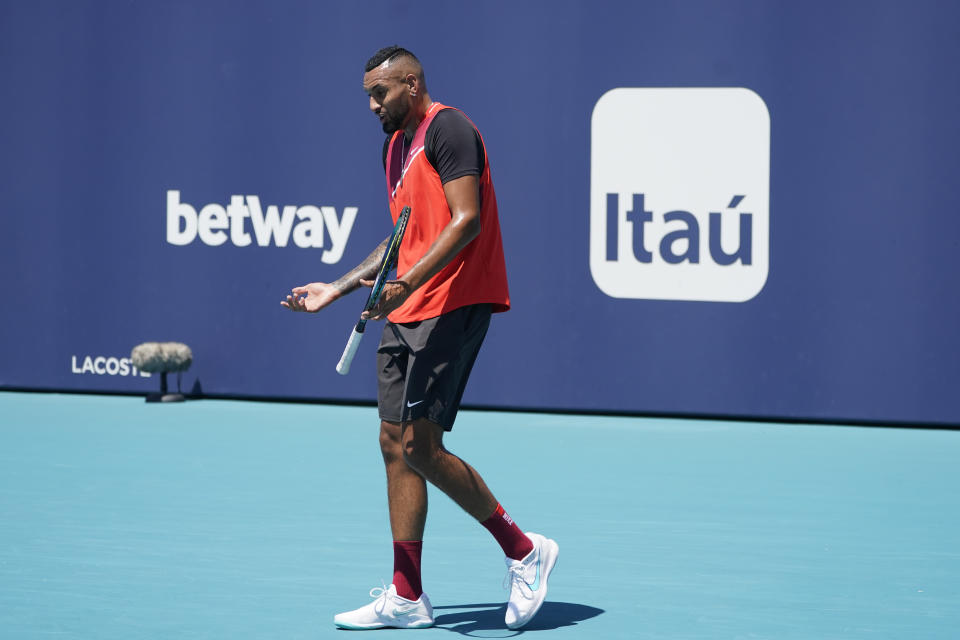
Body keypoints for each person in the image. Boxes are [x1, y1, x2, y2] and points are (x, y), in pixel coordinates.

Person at [281, 46, 558, 630]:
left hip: (453, 302)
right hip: (409, 307)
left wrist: (404, 285)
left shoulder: (449, 129)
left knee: (421, 446)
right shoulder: (394, 148)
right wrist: (339, 286)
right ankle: (407, 595)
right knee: (392, 441)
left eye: (380, 93)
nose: (373, 105)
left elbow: (466, 220)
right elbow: (399, 237)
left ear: (411, 83)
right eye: (368, 96)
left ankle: (524, 551)